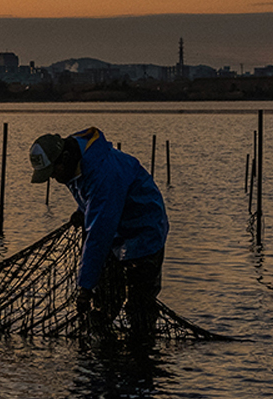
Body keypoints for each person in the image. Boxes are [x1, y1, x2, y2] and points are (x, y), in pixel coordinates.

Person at [29, 126, 169, 346]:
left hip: (144, 232)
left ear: (64, 158)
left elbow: (99, 235)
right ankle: (107, 357)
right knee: (105, 301)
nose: (54, 178)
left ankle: (142, 360)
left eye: (54, 172)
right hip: (115, 228)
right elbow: (92, 199)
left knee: (139, 307)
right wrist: (82, 211)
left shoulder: (103, 174)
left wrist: (85, 287)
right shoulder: (76, 159)